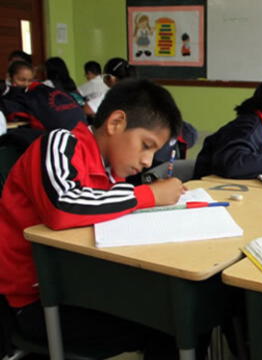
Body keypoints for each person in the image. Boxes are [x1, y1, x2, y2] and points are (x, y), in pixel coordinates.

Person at [0, 78, 186, 358]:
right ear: (115, 123)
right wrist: (149, 195)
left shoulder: (110, 175)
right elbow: (63, 206)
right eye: (146, 145)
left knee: (178, 311)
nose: (148, 161)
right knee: (169, 323)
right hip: (37, 302)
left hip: (82, 286)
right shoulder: (61, 143)